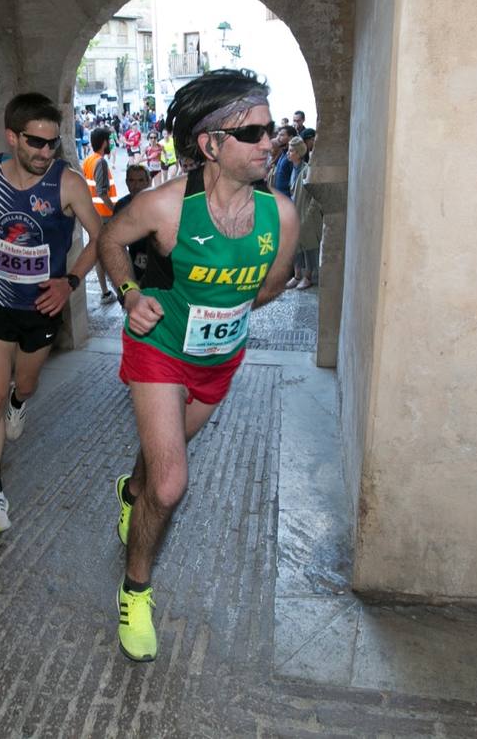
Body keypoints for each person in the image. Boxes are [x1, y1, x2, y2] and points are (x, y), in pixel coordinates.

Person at [98, 68, 299, 663]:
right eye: (254, 132)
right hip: (159, 349)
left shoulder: (281, 217)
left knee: (157, 469)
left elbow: (274, 284)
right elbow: (110, 240)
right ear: (210, 145)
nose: (271, 141)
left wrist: (229, 307)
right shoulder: (162, 207)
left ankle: (129, 490)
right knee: (172, 480)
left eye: (270, 128)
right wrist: (132, 295)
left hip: (219, 361)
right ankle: (135, 592)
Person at [0, 93, 103, 537]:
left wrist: (71, 283)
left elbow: (102, 237)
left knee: (23, 385)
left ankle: (20, 403)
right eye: (36, 143)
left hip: (42, 308)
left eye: (52, 143)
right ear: (12, 137)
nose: (45, 152)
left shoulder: (68, 183)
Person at [83, 127, 119, 300]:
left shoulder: (89, 160)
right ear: (104, 142)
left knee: (99, 254)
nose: (110, 143)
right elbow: (101, 192)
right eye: (109, 140)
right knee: (113, 253)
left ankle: (105, 292)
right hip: (105, 215)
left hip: (94, 214)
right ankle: (120, 290)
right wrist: (115, 210)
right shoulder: (101, 162)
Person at [284, 137, 319, 289]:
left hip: (305, 214)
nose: (288, 153)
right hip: (294, 213)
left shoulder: (306, 170)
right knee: (296, 246)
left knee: (309, 246)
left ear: (298, 153)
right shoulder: (294, 169)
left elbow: (314, 195)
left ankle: (308, 276)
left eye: (291, 150)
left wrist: (309, 214)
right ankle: (297, 275)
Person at [110, 164, 153, 283]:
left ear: (148, 182)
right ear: (127, 182)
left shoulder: (158, 202)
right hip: (134, 265)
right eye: (132, 180)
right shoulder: (121, 206)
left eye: (140, 180)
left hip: (160, 265)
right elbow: (114, 243)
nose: (136, 185)